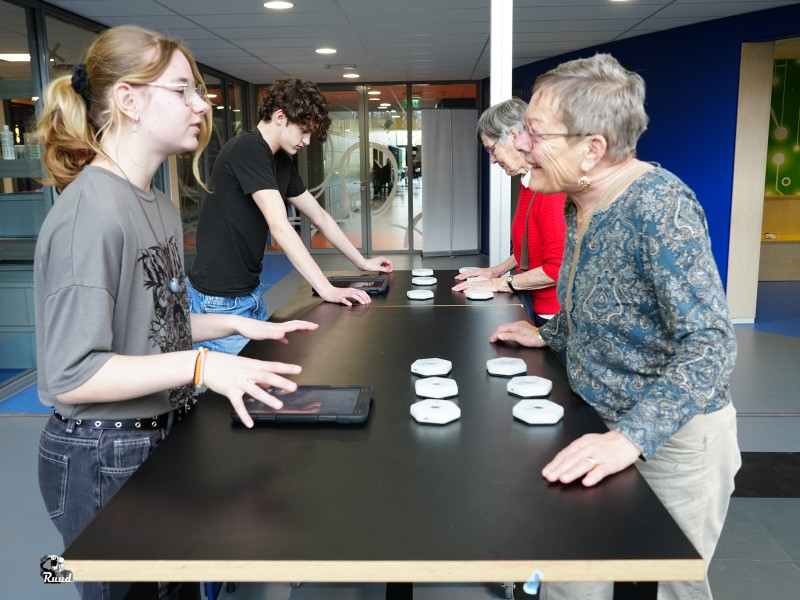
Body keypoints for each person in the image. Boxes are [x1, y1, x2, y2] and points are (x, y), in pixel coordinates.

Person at [33, 25, 317, 600]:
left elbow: (157, 324)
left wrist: (237, 325)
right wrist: (201, 367)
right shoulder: (90, 213)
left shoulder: (158, 205)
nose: (201, 105)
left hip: (160, 438)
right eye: (183, 90)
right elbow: (72, 375)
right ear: (129, 100)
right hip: (102, 454)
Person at [489, 54, 740, 599]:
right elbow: (609, 308)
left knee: (673, 587)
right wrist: (551, 334)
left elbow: (711, 346)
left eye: (534, 132)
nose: (522, 144)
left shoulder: (659, 206)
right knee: (571, 582)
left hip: (675, 439)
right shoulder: (583, 203)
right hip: (598, 419)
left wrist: (631, 438)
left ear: (592, 148)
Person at [187, 76, 394, 354]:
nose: (307, 142)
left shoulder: (280, 161)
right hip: (219, 301)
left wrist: (362, 262)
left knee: (261, 383)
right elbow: (280, 227)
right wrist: (326, 289)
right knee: (244, 389)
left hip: (249, 293)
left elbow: (320, 216)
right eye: (303, 132)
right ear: (281, 117)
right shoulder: (248, 148)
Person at [452, 98, 566, 327]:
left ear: (515, 136)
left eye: (492, 150)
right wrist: (496, 271)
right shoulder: (530, 182)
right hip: (532, 303)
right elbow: (530, 248)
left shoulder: (552, 188)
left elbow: (556, 269)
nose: (493, 160)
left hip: (553, 316)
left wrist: (502, 283)